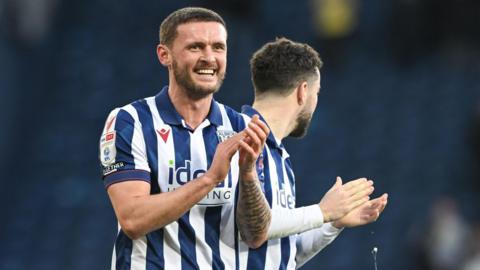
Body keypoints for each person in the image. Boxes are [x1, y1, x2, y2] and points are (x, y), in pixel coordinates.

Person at [98, 7, 270, 269]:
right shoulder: (131, 121)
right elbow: (132, 220)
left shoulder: (242, 127)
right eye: (195, 47)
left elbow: (255, 236)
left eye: (218, 47)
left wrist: (248, 175)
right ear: (164, 55)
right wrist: (210, 178)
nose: (209, 58)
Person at [236, 37, 389, 269]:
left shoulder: (279, 155)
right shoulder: (236, 139)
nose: (315, 102)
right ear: (303, 92)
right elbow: (252, 229)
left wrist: (332, 222)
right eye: (317, 93)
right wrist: (321, 211)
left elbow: (284, 256)